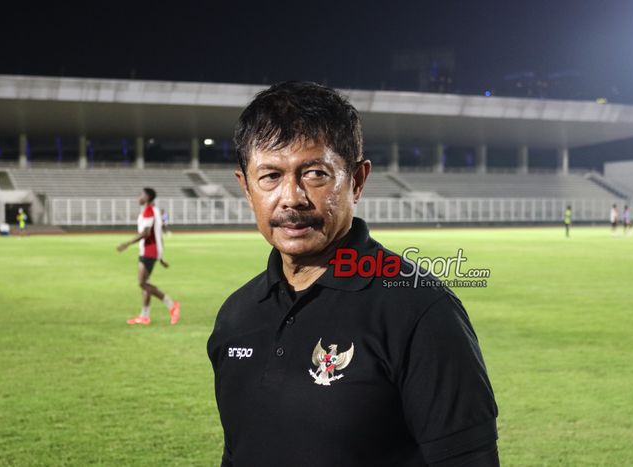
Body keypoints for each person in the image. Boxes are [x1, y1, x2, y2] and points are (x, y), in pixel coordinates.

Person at [207, 82, 499, 467]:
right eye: (270, 176)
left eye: (314, 173)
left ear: (357, 181)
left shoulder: (420, 310)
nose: (291, 197)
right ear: (246, 188)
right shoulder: (235, 316)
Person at [116, 187, 180, 325]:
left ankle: (171, 305)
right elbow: (158, 234)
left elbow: (146, 233)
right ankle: (144, 316)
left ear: (147, 197)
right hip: (151, 251)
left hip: (148, 251)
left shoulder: (149, 210)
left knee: (142, 283)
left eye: (141, 195)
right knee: (146, 283)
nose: (138, 197)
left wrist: (127, 244)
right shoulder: (154, 210)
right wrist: (161, 256)